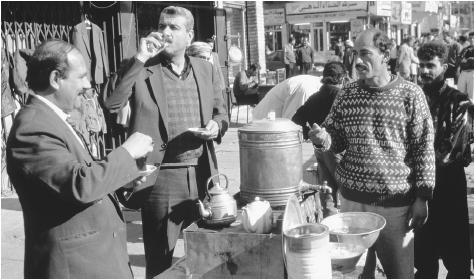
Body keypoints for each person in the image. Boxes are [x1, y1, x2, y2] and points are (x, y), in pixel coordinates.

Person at [6, 39, 154, 279]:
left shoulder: (53, 118)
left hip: (95, 262)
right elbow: (79, 184)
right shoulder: (32, 127)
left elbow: (76, 176)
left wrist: (123, 180)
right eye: (82, 76)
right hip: (74, 268)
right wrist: (127, 152)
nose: (87, 85)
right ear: (56, 79)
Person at [104, 6, 228, 277]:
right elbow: (113, 104)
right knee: (160, 261)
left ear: (189, 35)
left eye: (174, 27)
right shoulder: (142, 68)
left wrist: (216, 126)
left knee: (209, 254)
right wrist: (139, 57)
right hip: (161, 179)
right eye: (163, 26)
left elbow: (221, 112)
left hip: (202, 173)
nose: (165, 32)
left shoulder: (205, 69)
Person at [309, 29, 435, 279]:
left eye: (365, 54)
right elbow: (336, 137)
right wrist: (323, 138)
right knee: (354, 274)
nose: (357, 61)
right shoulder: (347, 93)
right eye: (355, 54)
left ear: (385, 55)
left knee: (400, 274)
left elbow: (423, 146)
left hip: (395, 206)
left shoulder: (411, 94)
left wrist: (423, 196)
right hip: (353, 203)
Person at [414, 41, 472, 279]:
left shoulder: (458, 101)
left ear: (445, 66)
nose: (425, 71)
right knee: (423, 258)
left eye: (431, 65)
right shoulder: (412, 97)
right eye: (422, 65)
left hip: (448, 185)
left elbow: (450, 151)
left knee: (456, 258)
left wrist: (419, 165)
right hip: (419, 187)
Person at [292, 62, 346, 210]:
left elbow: (297, 118)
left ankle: (329, 226)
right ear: (342, 78)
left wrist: (309, 130)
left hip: (320, 150)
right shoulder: (341, 96)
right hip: (336, 150)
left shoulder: (314, 97)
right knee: (347, 193)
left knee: (327, 191)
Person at [252, 74, 322, 121]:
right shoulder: (308, 89)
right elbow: (292, 122)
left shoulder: (313, 84)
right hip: (264, 127)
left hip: (273, 125)